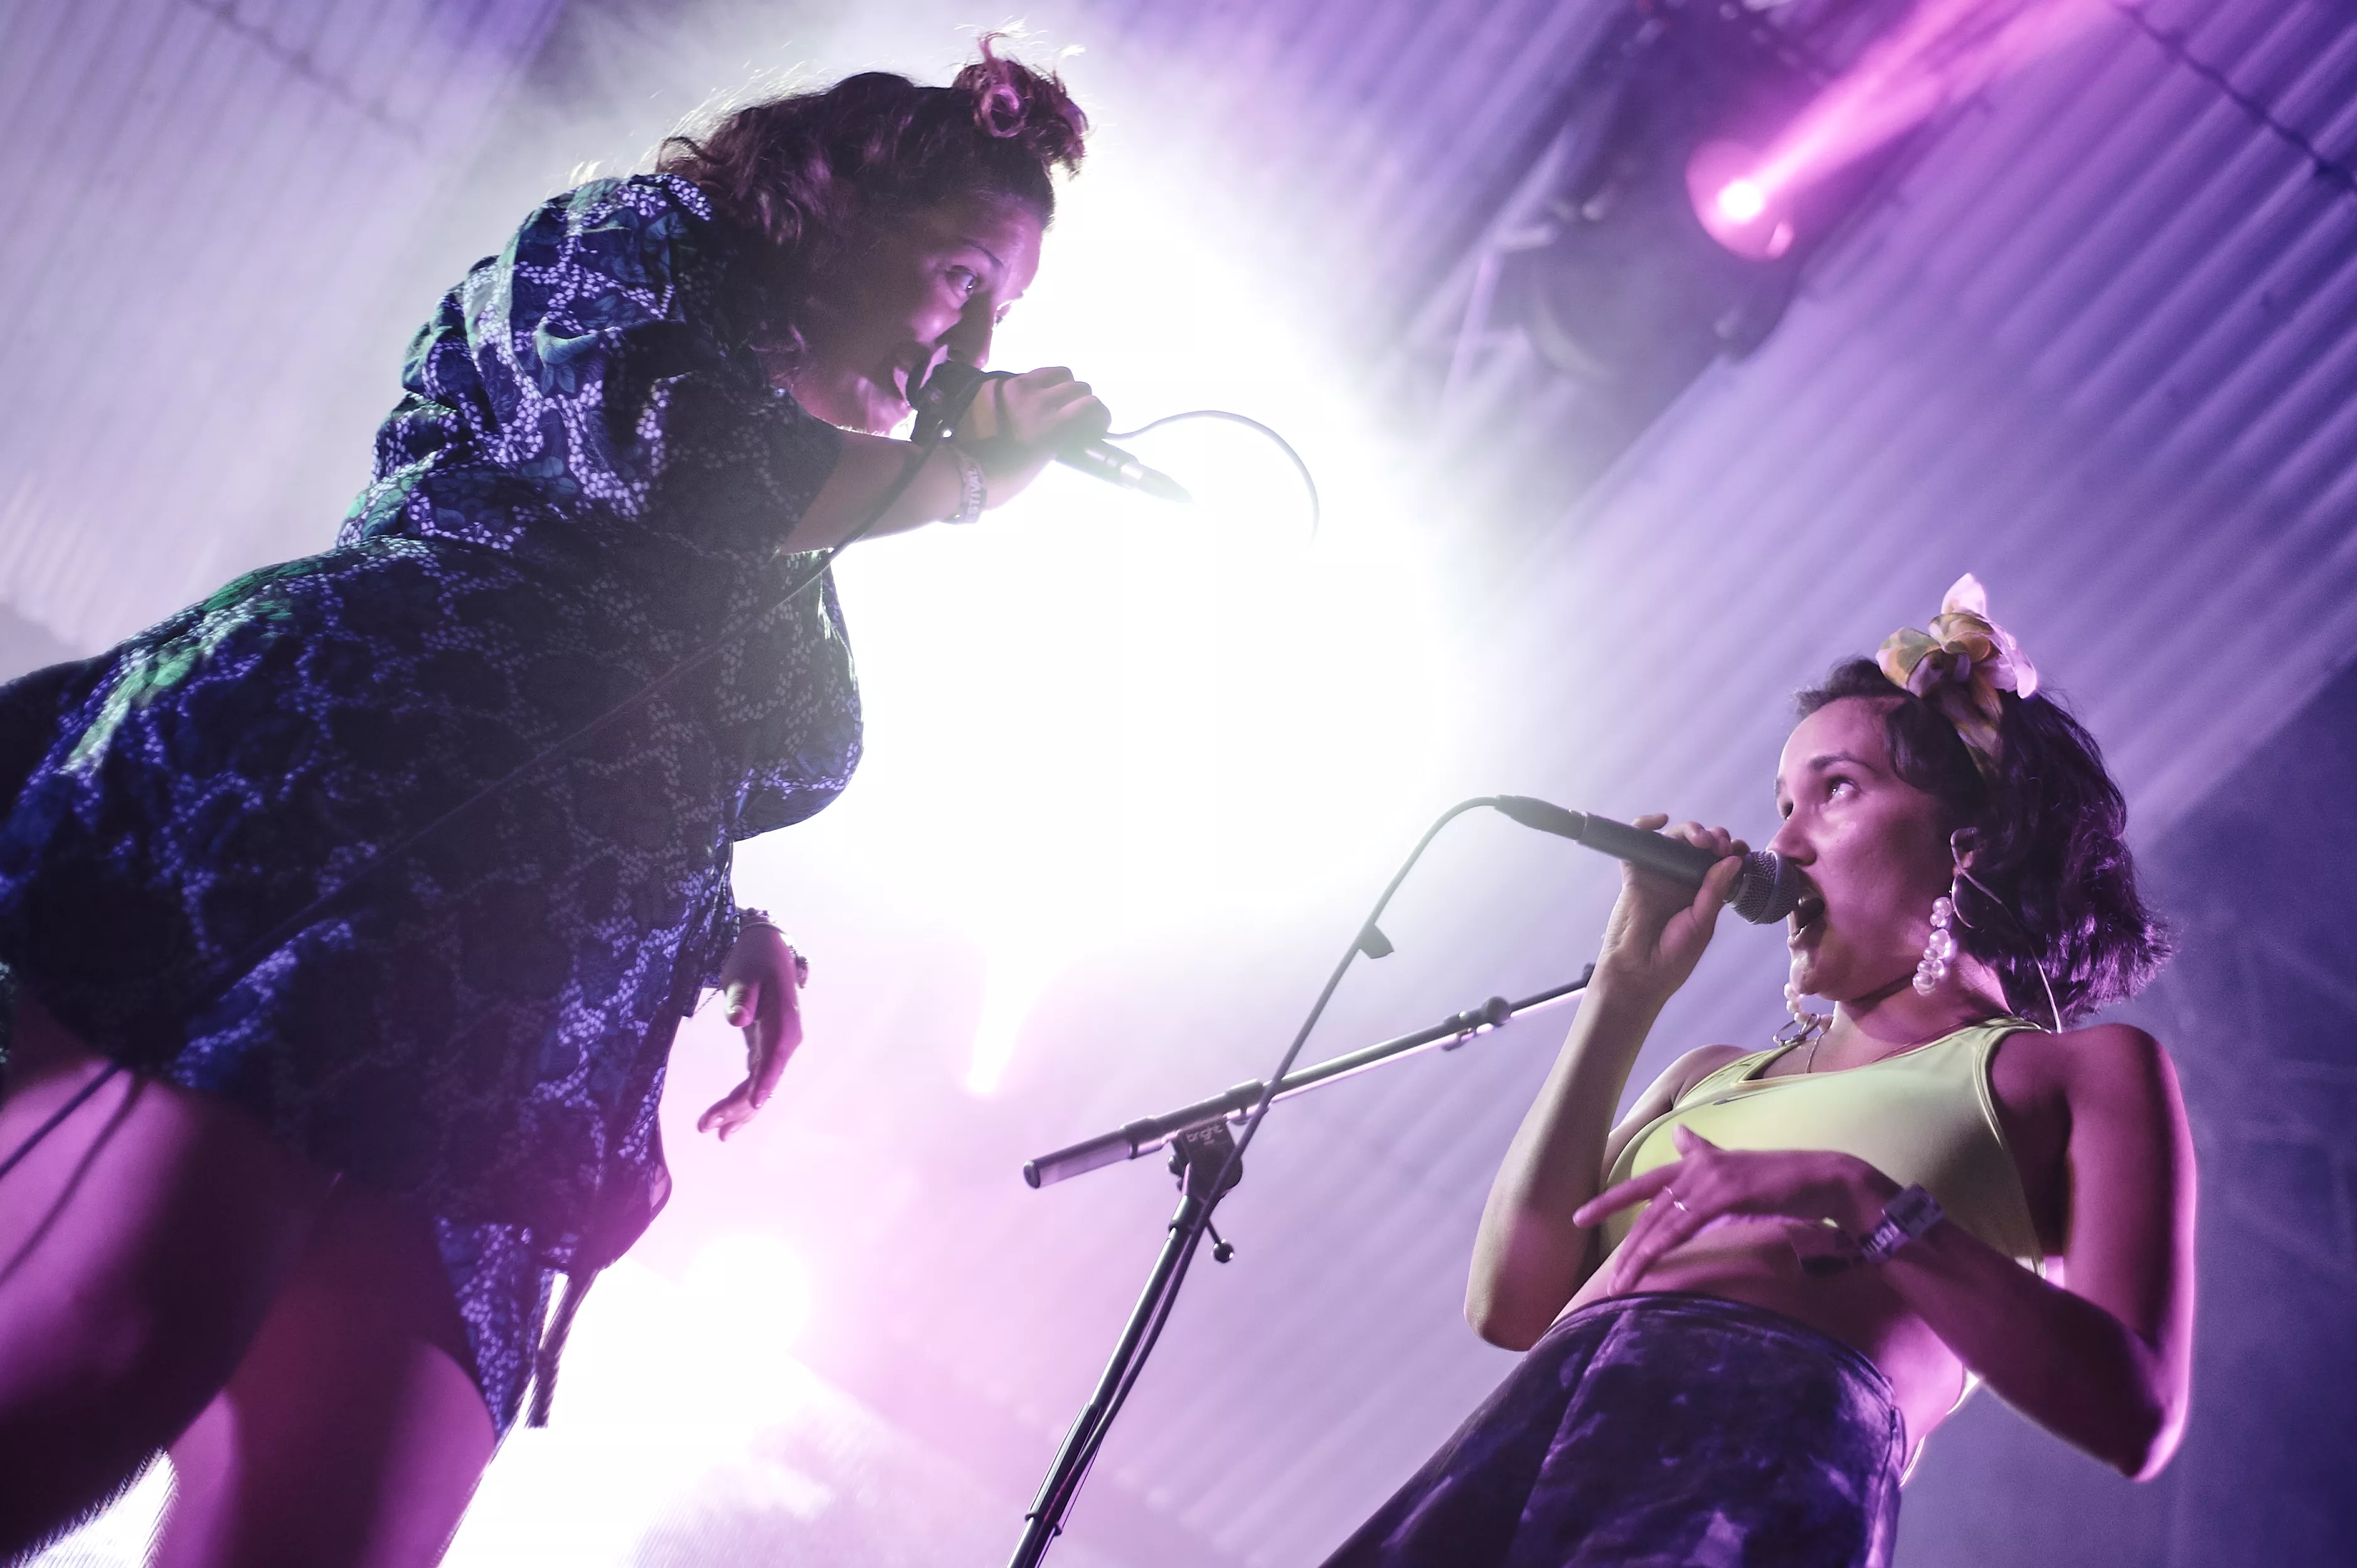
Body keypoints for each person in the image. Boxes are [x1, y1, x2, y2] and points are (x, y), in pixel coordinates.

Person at [0, 40, 1105, 1566]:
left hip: (531, 1041)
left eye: (1005, 312)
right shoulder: (630, 248)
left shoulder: (801, 542)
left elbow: (639, 730)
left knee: (322, 1533)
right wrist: (962, 484)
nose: (971, 342)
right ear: (842, 216)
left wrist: (716, 920)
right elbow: (669, 474)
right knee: (103, 1358)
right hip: (346, 843)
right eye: (962, 277)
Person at [1321, 576, 2193, 1568]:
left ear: (1971, 844)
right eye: (1782, 804)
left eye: (1837, 790)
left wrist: (1866, 1203)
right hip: (1533, 1439)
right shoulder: (1706, 1077)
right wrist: (1624, 990)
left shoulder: (2071, 1073)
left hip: (1762, 1462)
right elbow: (1511, 1306)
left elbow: (2137, 1412)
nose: (1782, 843)